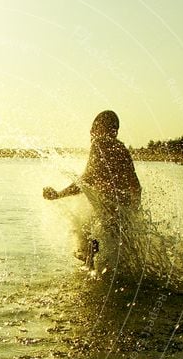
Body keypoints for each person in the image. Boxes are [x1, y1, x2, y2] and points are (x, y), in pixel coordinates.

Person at [43, 110, 141, 268]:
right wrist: (135, 213)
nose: (91, 132)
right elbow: (136, 186)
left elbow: (86, 181)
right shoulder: (122, 149)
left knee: (89, 250)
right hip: (123, 213)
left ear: (103, 128)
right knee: (119, 260)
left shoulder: (99, 144)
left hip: (108, 214)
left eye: (94, 127)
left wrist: (58, 195)